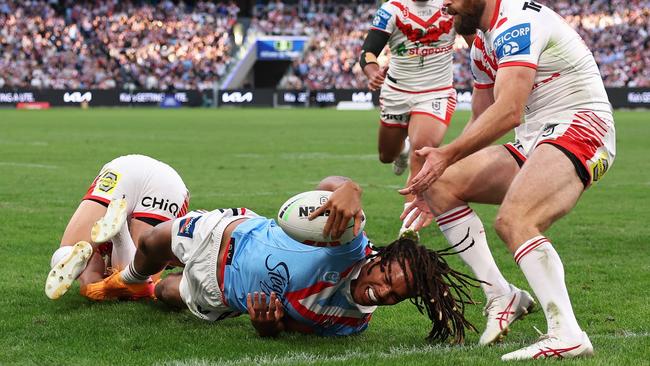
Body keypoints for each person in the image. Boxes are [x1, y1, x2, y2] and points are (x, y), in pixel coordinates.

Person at [398, 0, 616, 360]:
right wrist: (437, 171)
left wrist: (445, 153)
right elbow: (483, 117)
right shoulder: (481, 44)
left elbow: (509, 110)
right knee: (442, 184)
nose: (444, 5)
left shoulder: (517, 21)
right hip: (535, 140)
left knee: (516, 219)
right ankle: (502, 294)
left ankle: (567, 333)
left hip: (581, 128)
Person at [83, 176, 480, 341]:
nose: (383, 291)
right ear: (379, 258)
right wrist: (350, 190)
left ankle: (137, 277)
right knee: (154, 243)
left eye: (395, 295)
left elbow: (290, 325)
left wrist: (267, 327)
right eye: (386, 276)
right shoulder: (349, 241)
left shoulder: (348, 325)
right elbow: (330, 188)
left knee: (168, 292)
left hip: (222, 293)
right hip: (225, 234)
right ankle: (126, 275)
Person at [360, 0, 471, 237]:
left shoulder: (451, 5)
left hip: (436, 92)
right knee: (386, 155)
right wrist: (372, 72)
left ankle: (408, 227)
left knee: (421, 151)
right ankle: (400, 151)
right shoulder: (393, 9)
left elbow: (476, 42)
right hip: (396, 93)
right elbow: (369, 50)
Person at [45, 154, 190, 300]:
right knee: (135, 278)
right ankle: (119, 235)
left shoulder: (102, 239)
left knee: (67, 251)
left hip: (123, 168)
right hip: (166, 182)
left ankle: (91, 282)